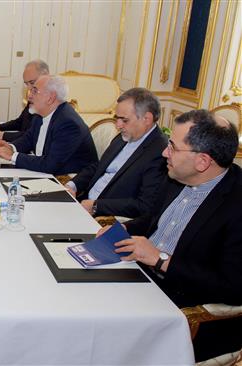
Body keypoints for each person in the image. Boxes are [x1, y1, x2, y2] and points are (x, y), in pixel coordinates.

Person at [103, 110, 242, 361]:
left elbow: (232, 288)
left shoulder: (237, 205)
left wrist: (160, 259)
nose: (164, 153)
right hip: (140, 279)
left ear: (202, 161)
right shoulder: (177, 176)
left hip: (183, 312)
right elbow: (155, 220)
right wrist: (126, 228)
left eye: (173, 147)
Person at [65, 88, 167, 218]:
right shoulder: (125, 135)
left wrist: (96, 206)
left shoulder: (160, 152)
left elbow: (144, 205)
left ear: (147, 119)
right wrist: (72, 185)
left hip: (105, 218)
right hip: (82, 203)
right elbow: (99, 166)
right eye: (117, 118)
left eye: (124, 120)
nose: (118, 125)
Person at [0, 75, 97, 174]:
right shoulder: (40, 114)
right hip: (43, 171)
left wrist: (13, 156)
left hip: (67, 180)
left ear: (50, 98)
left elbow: (50, 164)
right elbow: (28, 139)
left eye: (34, 91)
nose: (29, 95)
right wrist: (11, 147)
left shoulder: (68, 124)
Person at [0, 59, 49, 141]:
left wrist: (2, 135)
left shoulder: (49, 104)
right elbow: (20, 122)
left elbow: (33, 135)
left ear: (45, 78)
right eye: (26, 84)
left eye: (32, 83)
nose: (29, 88)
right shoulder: (33, 97)